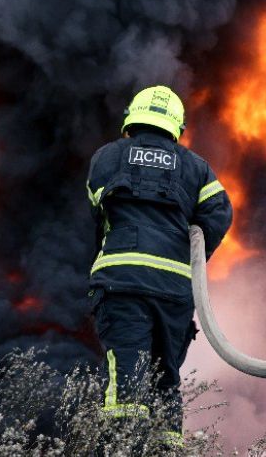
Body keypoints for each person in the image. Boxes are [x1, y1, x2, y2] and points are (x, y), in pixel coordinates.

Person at [86, 85, 233, 447]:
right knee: (166, 379)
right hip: (174, 291)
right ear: (176, 126)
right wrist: (190, 254)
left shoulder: (108, 156)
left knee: (127, 381)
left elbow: (97, 205)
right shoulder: (195, 166)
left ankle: (123, 449)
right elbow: (219, 213)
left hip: (122, 283)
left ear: (132, 119)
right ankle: (166, 449)